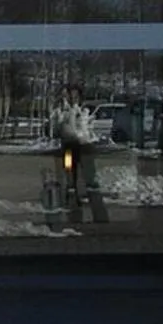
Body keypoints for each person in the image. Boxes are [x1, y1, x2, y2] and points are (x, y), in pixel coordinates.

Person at [49, 84, 108, 225]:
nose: (72, 98)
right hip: (69, 147)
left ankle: (86, 197)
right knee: (70, 170)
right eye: (70, 95)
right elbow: (56, 128)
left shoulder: (83, 111)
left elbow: (86, 129)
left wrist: (86, 128)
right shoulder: (62, 111)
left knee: (87, 172)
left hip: (83, 147)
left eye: (75, 95)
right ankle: (71, 195)